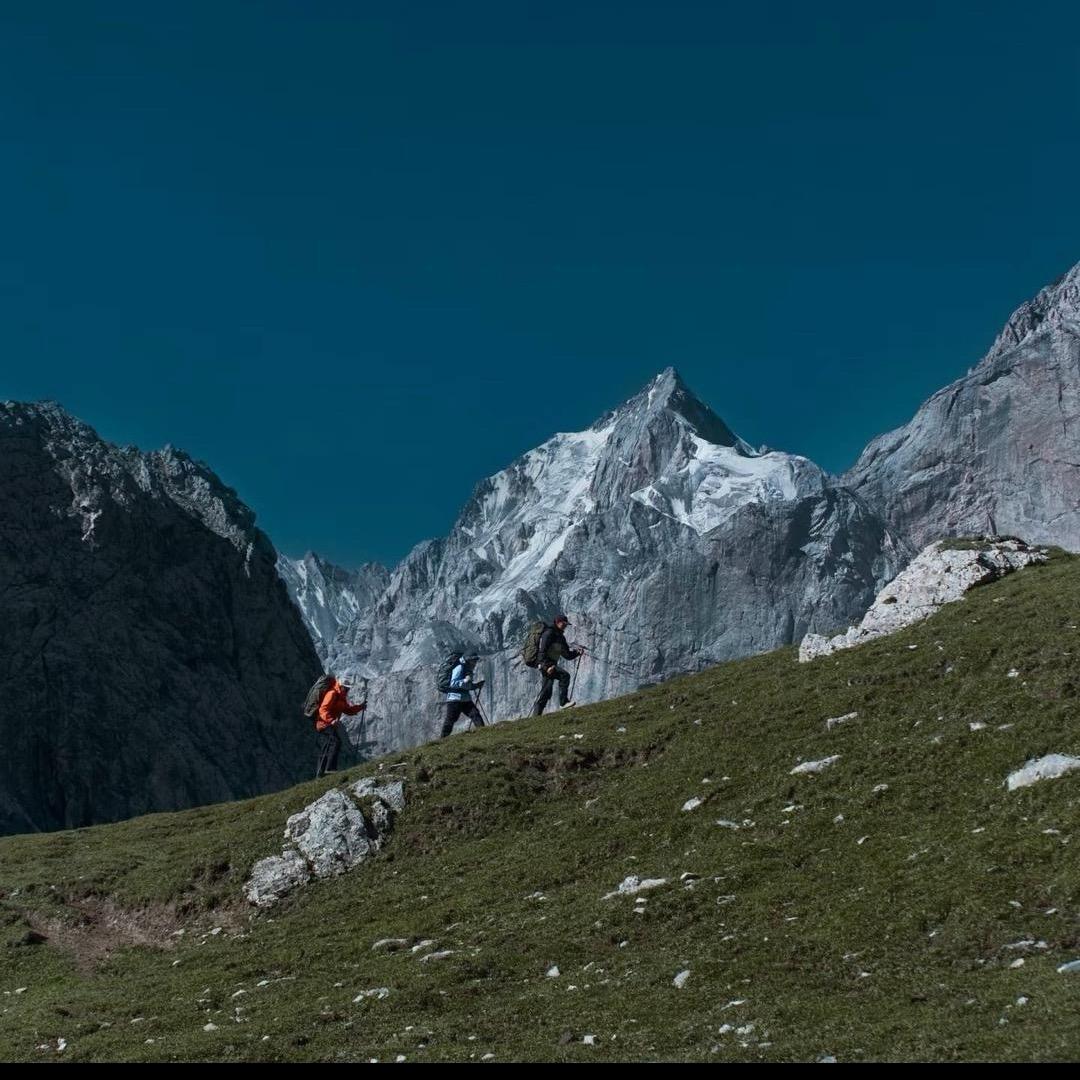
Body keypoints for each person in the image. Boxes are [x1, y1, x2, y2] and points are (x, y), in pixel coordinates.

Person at [315, 677, 365, 778]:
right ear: (341, 686)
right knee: (335, 742)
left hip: (329, 724)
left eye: (348, 688)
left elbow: (348, 710)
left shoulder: (341, 696)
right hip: (324, 724)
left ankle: (321, 773)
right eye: (346, 688)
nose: (347, 690)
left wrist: (360, 707)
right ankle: (330, 769)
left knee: (327, 746)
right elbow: (323, 710)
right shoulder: (332, 693)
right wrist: (331, 720)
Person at [533, 614, 582, 715]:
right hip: (545, 665)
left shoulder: (560, 637)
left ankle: (536, 716)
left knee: (546, 691)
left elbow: (567, 655)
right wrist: (546, 667)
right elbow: (542, 652)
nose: (565, 626)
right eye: (563, 624)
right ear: (557, 622)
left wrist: (577, 653)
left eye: (566, 624)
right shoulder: (549, 633)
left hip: (551, 666)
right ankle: (563, 703)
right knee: (564, 676)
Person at [441, 655, 485, 737]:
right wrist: (464, 680)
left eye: (475, 661)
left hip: (465, 699)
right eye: (473, 661)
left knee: (475, 714)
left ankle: (483, 733)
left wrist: (476, 685)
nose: (475, 663)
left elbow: (466, 686)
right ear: (468, 660)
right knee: (450, 719)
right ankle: (442, 739)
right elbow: (453, 683)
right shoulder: (459, 667)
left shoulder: (467, 669)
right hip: (454, 699)